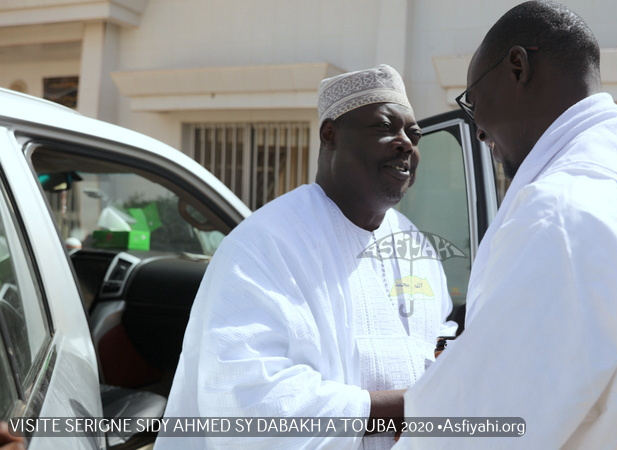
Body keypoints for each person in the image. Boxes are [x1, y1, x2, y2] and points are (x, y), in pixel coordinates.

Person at [395, 2, 617, 448]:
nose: (478, 132)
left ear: (517, 66)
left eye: (472, 102)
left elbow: (482, 423)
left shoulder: (560, 211)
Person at [156, 64, 456, 449]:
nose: (406, 144)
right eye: (384, 128)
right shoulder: (264, 242)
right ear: (329, 135)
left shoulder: (414, 242)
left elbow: (437, 336)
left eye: (413, 135)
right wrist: (408, 409)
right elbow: (248, 399)